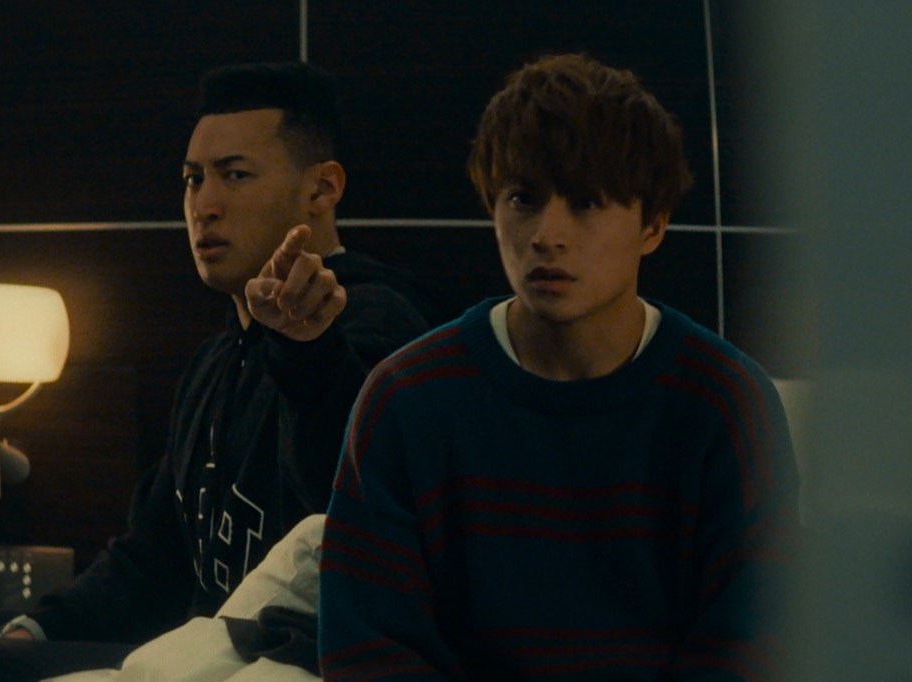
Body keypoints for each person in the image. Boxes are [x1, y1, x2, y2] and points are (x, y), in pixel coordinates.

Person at [0, 61, 452, 682]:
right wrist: (38, 627)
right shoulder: (213, 362)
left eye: (235, 175)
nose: (204, 206)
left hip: (282, 660)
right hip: (190, 655)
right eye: (193, 179)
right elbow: (152, 556)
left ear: (322, 189)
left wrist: (307, 351)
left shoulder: (378, 323)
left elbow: (355, 503)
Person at [318, 53, 799, 680]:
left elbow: (757, 642)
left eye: (586, 202)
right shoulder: (407, 400)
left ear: (653, 225)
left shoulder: (724, 400)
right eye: (523, 198)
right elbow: (368, 649)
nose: (548, 234)